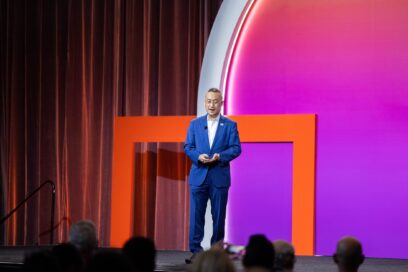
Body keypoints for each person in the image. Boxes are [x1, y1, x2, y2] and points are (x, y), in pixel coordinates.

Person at [184, 88, 241, 263]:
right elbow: (188, 147)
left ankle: (216, 253)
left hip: (219, 177)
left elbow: (236, 148)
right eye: (209, 101)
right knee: (196, 216)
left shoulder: (230, 125)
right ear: (204, 102)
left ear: (221, 103)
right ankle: (196, 251)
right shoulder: (194, 124)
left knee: (218, 216)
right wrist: (197, 157)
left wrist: (220, 156)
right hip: (198, 177)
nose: (211, 105)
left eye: (215, 101)